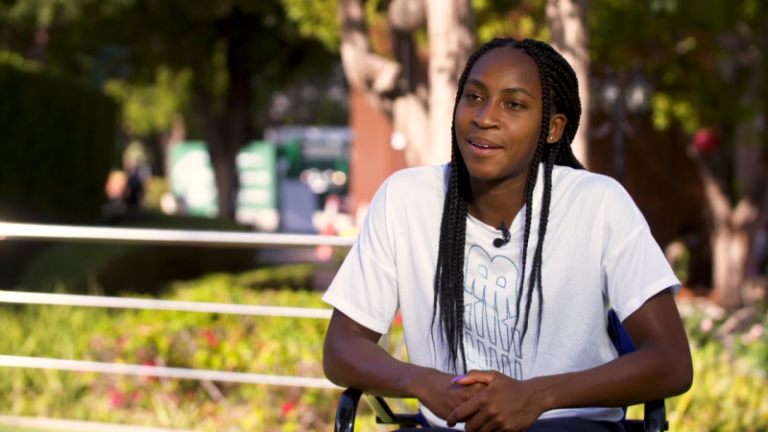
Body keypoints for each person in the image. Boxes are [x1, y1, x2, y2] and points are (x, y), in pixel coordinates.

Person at [322, 38, 693, 432]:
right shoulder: (406, 199)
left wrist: (536, 396)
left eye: (513, 104)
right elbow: (341, 348)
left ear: (552, 128)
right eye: (473, 96)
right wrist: (426, 382)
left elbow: (671, 360)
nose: (485, 117)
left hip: (569, 425)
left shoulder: (598, 204)